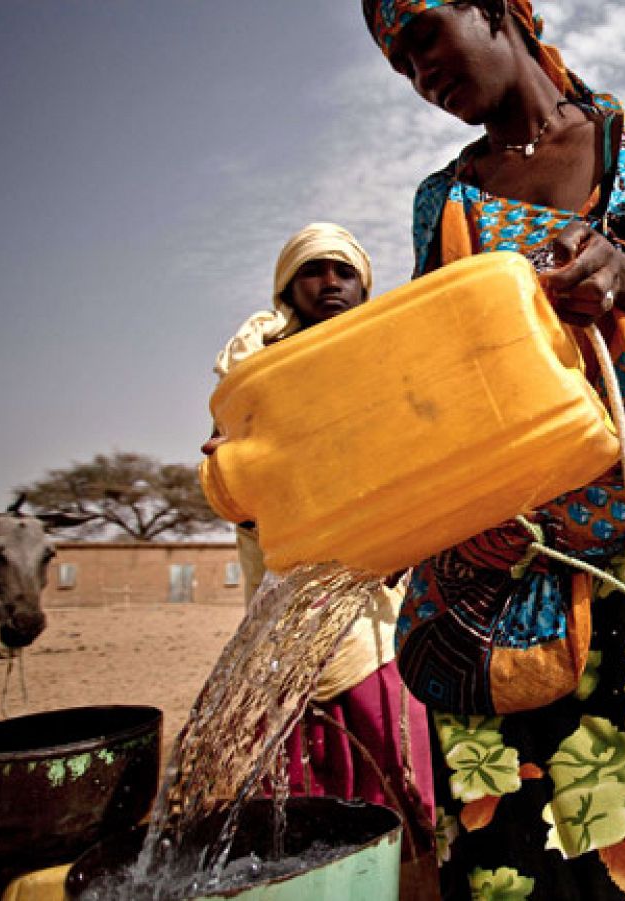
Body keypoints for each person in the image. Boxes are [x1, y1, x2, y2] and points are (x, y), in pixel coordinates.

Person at [360, 2, 625, 897]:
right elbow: (430, 377)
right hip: (493, 573)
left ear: (490, 8)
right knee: (498, 859)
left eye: (425, 34)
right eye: (398, 60)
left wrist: (622, 272)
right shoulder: (444, 201)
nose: (417, 71)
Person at [206, 222, 436, 848]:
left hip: (376, 585)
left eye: (343, 271)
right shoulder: (255, 365)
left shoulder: (385, 356)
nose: (330, 283)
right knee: (294, 771)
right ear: (288, 286)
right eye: (314, 270)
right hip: (289, 584)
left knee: (391, 741)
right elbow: (239, 468)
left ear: (364, 285)